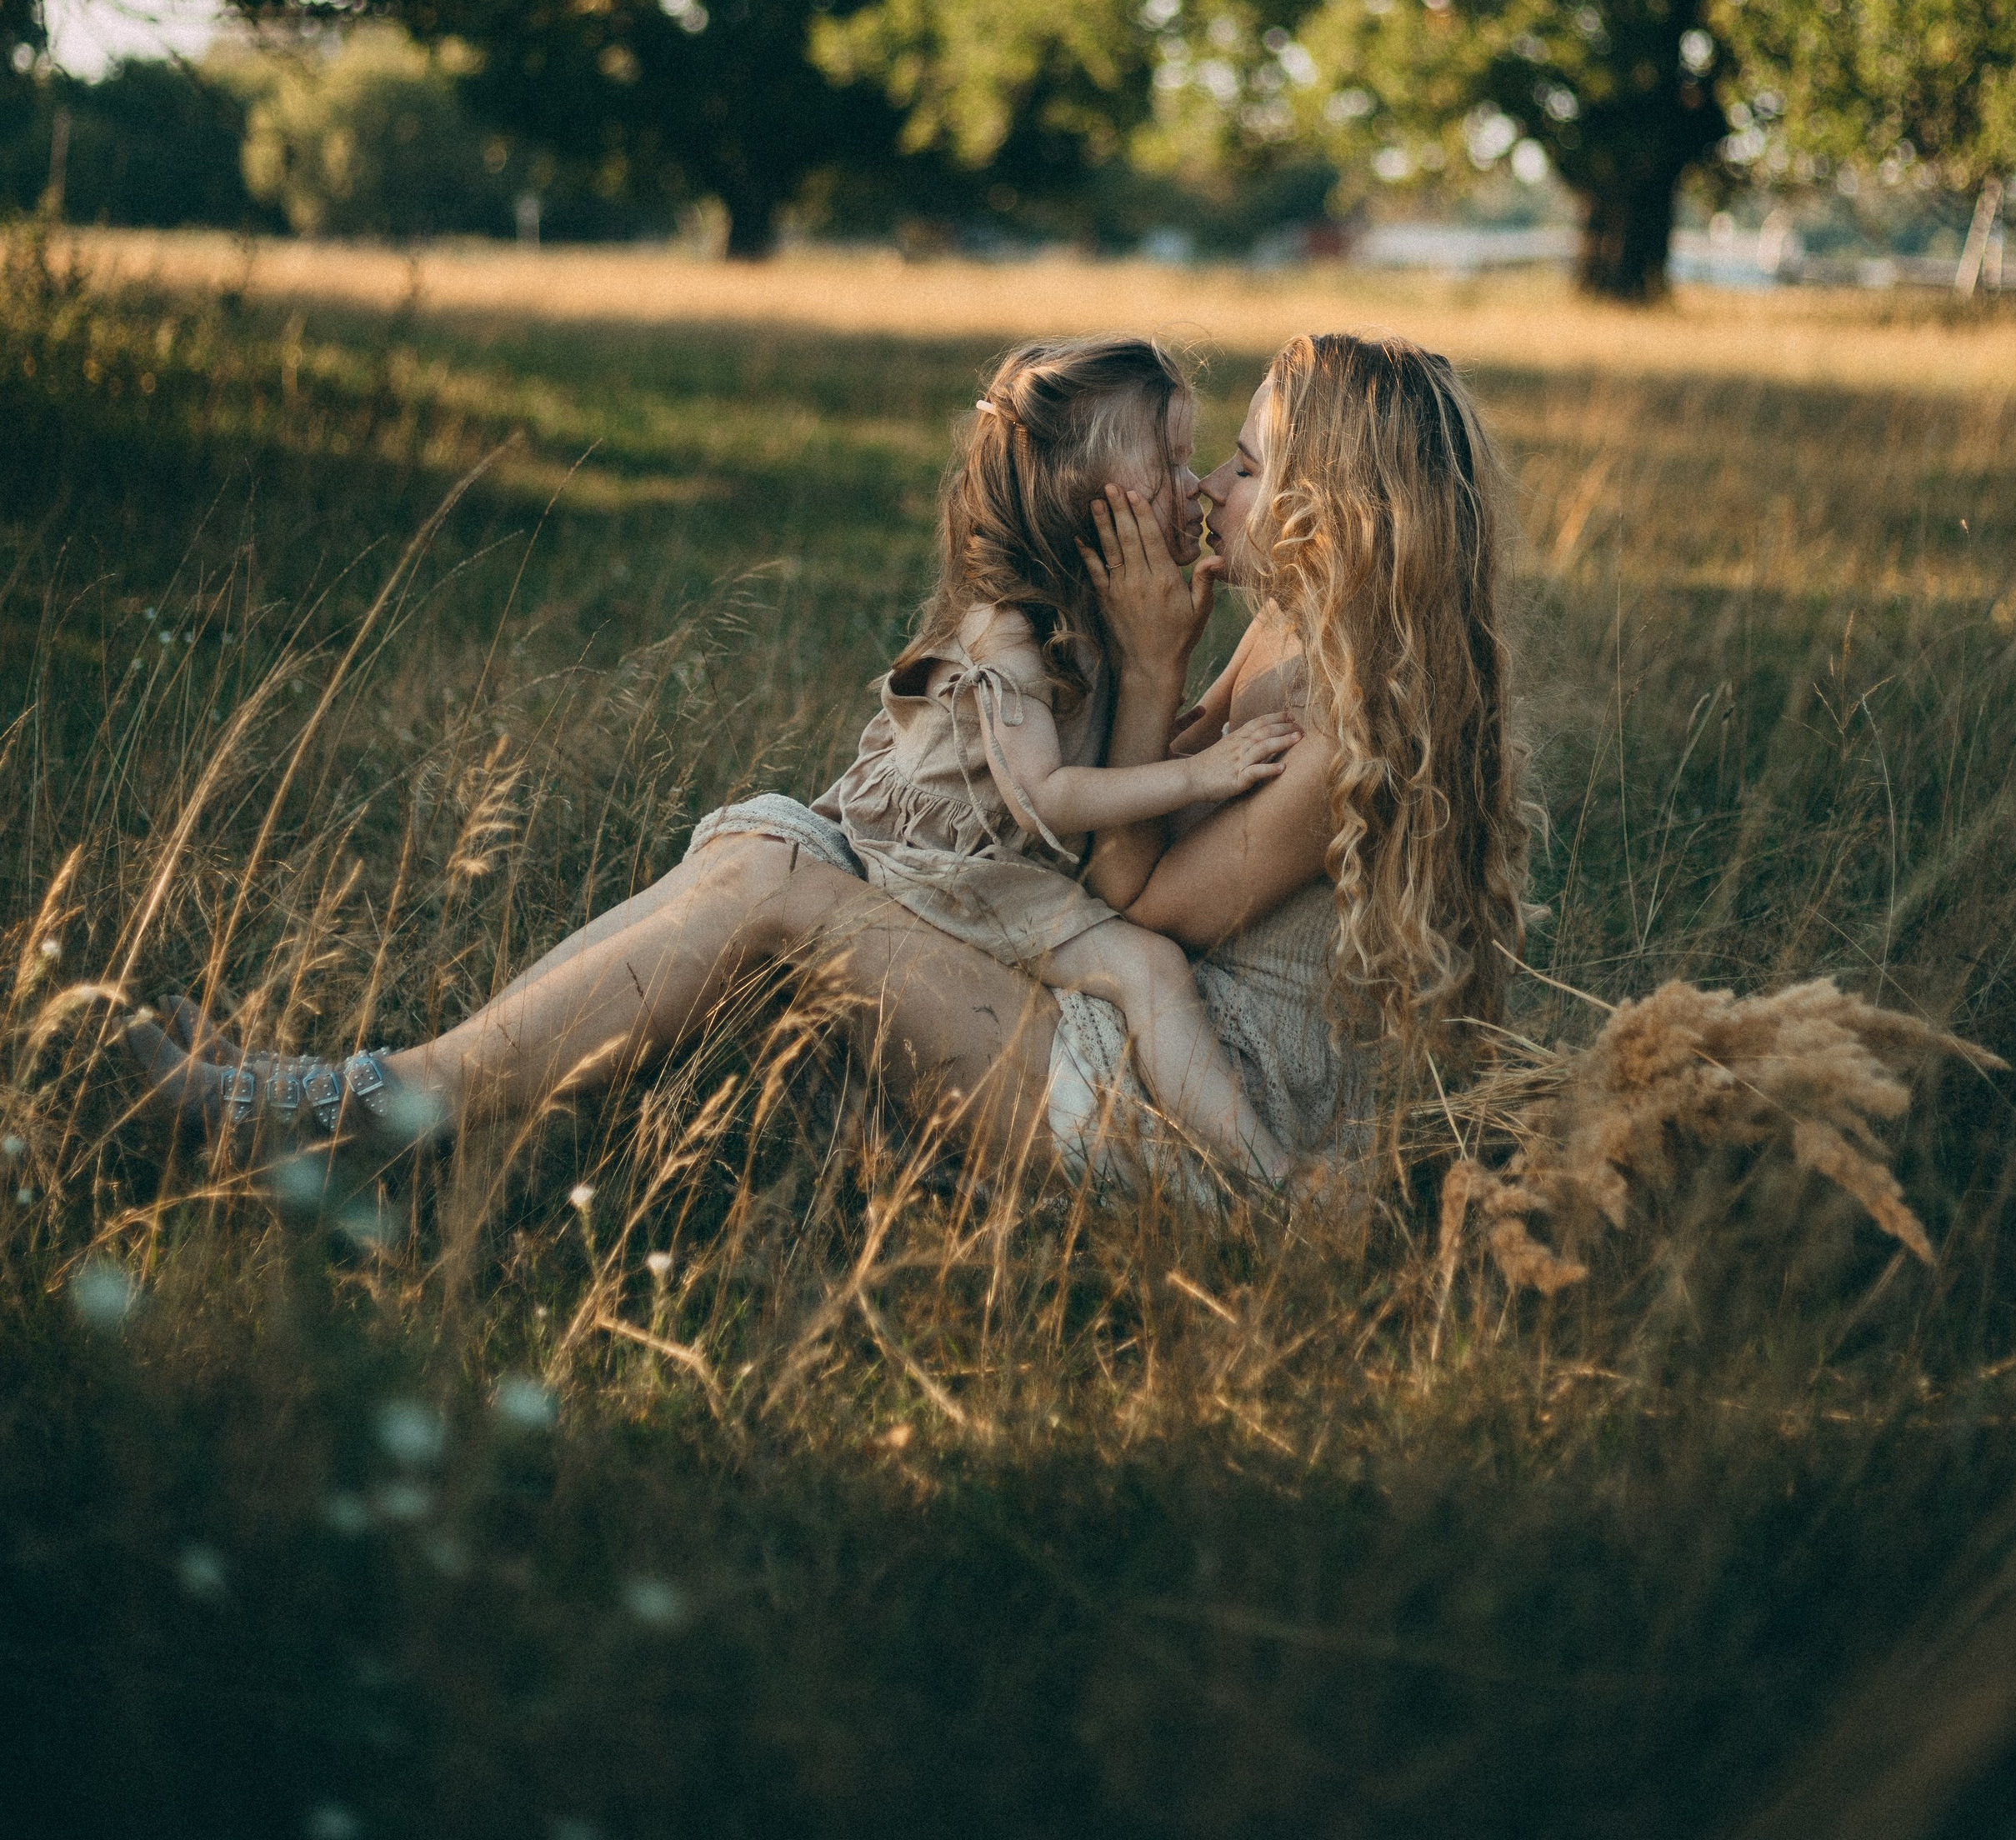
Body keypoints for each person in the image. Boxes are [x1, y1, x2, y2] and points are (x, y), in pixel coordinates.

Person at [128, 332, 1529, 1197]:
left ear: (1333, 510)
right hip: (1116, 1034)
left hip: (1182, 1117)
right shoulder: (1293, 627)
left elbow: (1139, 906)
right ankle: (367, 1093)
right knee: (767, 844)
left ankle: (340, 1117)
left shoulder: (1354, 725)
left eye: (1243, 465)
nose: (1209, 491)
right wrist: (1162, 667)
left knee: (780, 896)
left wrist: (1157, 662)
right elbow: (1129, 835)